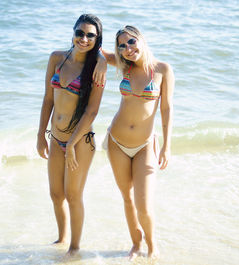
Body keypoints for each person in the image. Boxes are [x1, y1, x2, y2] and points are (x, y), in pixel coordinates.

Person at [101, 25, 174, 259]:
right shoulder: (124, 66)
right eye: (121, 45)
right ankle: (136, 243)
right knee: (127, 197)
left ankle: (152, 247)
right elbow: (93, 49)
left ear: (141, 39)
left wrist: (167, 145)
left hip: (145, 145)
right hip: (116, 142)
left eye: (131, 41)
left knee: (144, 205)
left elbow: (166, 108)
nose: (127, 48)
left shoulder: (162, 69)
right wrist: (100, 60)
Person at [36, 14, 105, 256]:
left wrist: (72, 144)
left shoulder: (96, 67)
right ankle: (62, 238)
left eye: (90, 35)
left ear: (97, 40)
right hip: (55, 137)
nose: (84, 39)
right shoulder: (57, 58)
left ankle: (75, 248)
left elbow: (92, 111)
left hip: (81, 142)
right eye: (80, 33)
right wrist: (40, 135)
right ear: (73, 33)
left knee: (73, 195)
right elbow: (47, 99)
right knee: (56, 194)